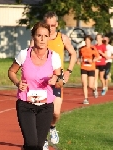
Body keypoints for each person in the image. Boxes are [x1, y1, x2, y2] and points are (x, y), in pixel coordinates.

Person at [8, 21, 63, 150]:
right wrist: (17, 82)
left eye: (45, 35)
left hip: (46, 107)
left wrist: (55, 79)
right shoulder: (24, 54)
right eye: (39, 35)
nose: (42, 39)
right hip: (25, 105)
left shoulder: (54, 57)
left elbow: (60, 81)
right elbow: (11, 71)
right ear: (33, 36)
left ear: (49, 37)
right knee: (32, 143)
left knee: (38, 145)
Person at [30, 11, 76, 149]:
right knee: (39, 111)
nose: (50, 28)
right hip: (39, 80)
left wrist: (68, 71)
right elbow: (28, 56)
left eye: (53, 25)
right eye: (47, 25)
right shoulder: (38, 39)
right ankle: (42, 140)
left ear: (57, 24)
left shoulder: (63, 38)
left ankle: (52, 127)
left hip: (57, 79)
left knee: (55, 112)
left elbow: (73, 54)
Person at [77, 35, 100, 104]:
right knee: (84, 84)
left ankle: (94, 89)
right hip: (83, 67)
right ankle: (86, 99)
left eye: (88, 41)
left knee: (90, 85)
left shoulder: (93, 49)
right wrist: (78, 61)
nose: (87, 42)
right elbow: (79, 57)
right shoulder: (82, 49)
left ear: (90, 41)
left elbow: (98, 57)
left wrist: (92, 61)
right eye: (86, 40)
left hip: (91, 68)